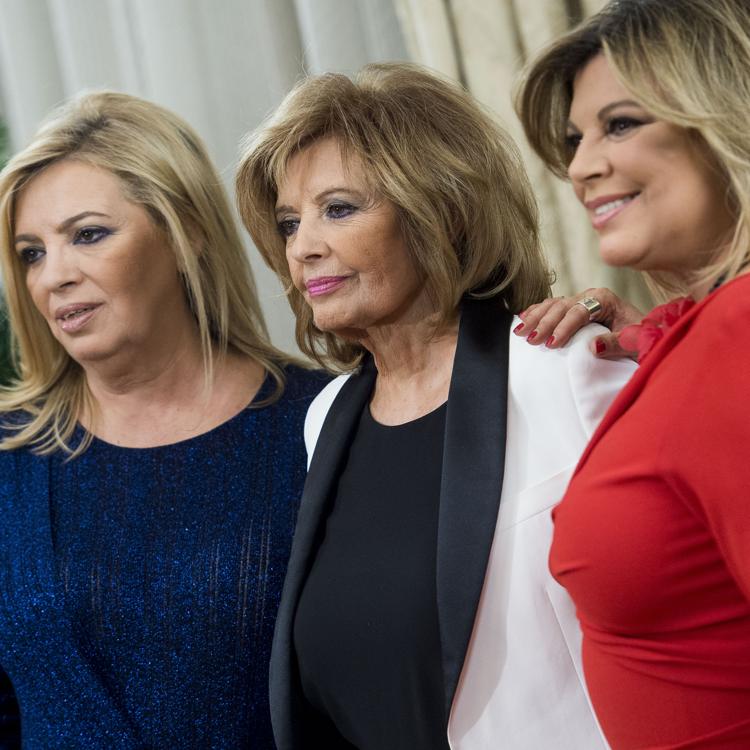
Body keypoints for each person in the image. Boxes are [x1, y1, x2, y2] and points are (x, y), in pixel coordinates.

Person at [236, 62, 636, 750]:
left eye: (339, 208)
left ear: (442, 209)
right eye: (288, 222)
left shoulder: (564, 366)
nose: (303, 247)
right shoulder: (325, 416)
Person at [0, 91, 327, 748]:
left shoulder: (323, 424)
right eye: (31, 252)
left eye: (87, 235)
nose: (53, 276)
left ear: (187, 234)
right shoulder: (8, 457)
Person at [515, 0, 750, 747]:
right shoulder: (702, 334)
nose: (581, 167)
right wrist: (656, 339)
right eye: (575, 139)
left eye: (620, 124)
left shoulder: (736, 333)